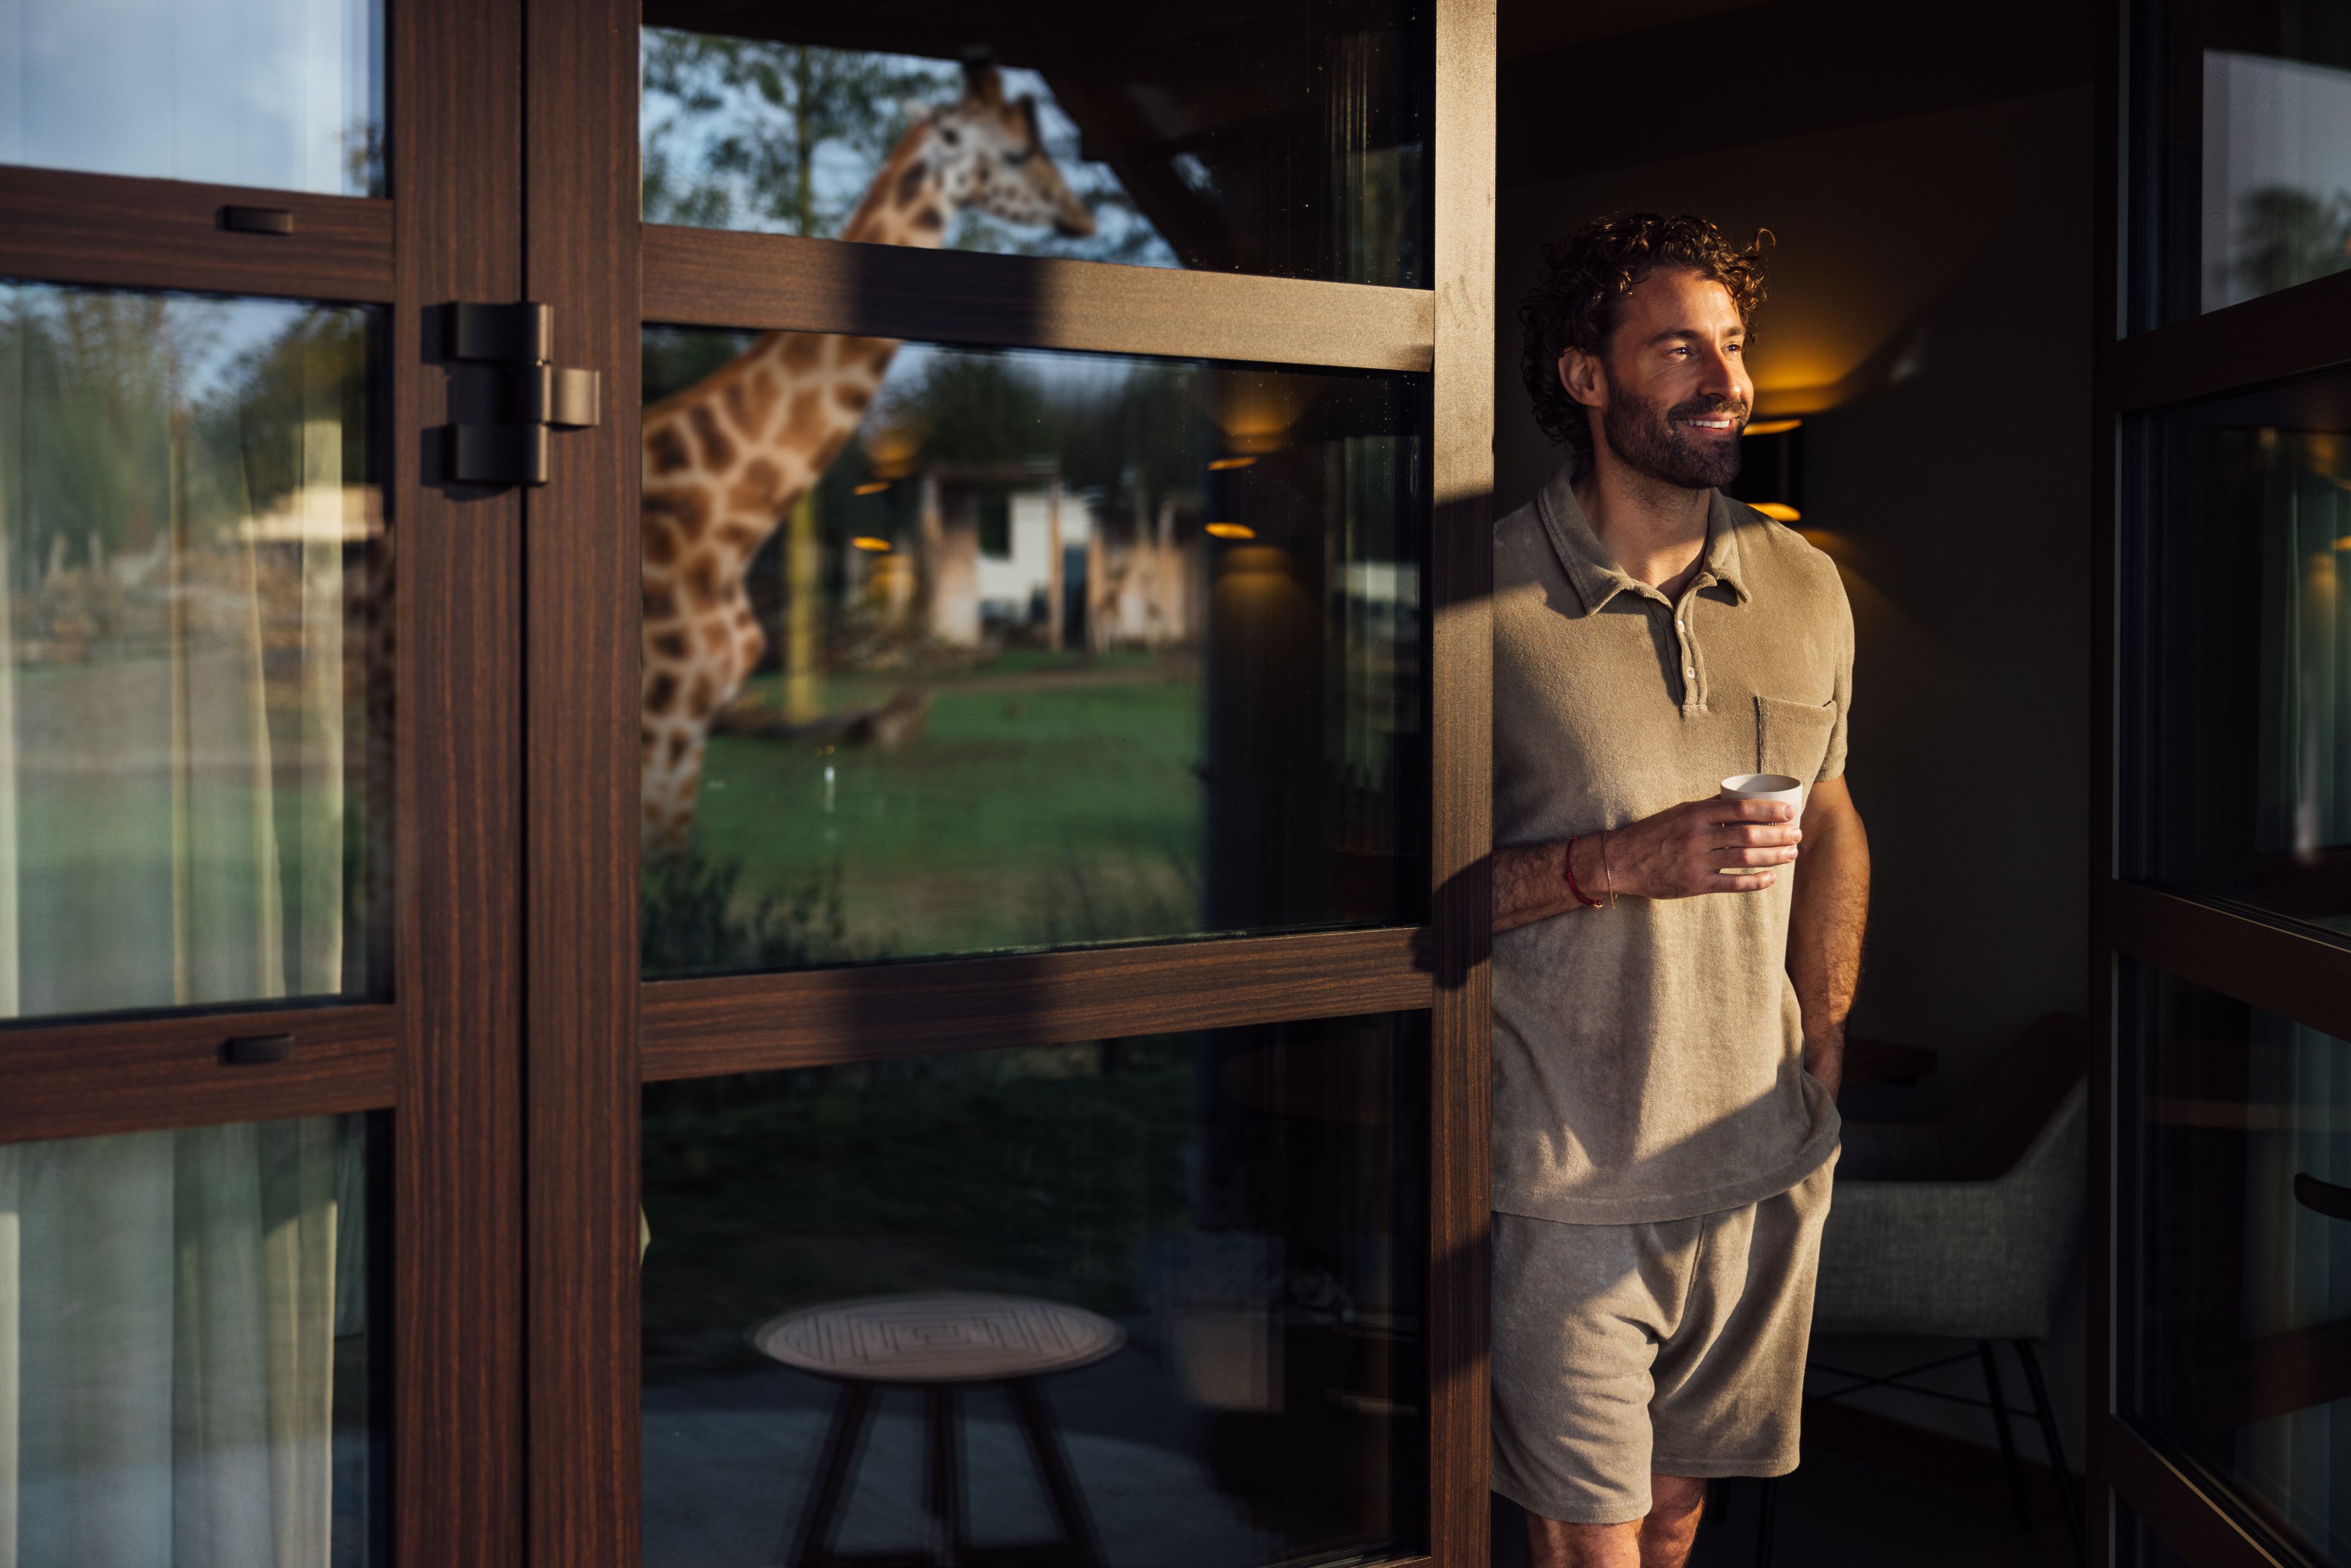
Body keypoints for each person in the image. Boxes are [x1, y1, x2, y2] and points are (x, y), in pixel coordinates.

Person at [1490, 212, 1871, 1568]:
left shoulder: (1806, 583)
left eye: (1735, 343)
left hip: (1760, 1164)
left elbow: (1831, 815)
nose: (1728, 377)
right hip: (1568, 1179)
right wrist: (1620, 862)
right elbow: (1405, 912)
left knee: (1673, 1521)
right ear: (1588, 379)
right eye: (1679, 347)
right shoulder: (1481, 610)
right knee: (1590, 1548)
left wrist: (1822, 1026)